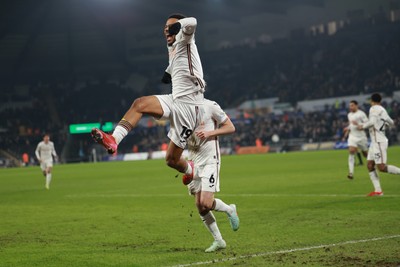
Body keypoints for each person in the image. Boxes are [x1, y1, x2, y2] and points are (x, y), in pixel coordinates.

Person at [91, 13, 204, 180]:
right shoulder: (171, 46)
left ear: (179, 28)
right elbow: (176, 61)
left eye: (171, 27)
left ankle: (192, 171)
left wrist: (179, 25)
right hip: (176, 99)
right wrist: (168, 72)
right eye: (165, 27)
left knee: (172, 160)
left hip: (190, 106)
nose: (167, 30)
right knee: (140, 104)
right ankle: (113, 140)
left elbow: (193, 22)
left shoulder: (186, 37)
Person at [185, 99, 239, 252]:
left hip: (210, 160)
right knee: (200, 206)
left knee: (206, 203)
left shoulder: (210, 105)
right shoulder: (183, 111)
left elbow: (230, 127)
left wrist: (210, 133)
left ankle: (229, 210)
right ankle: (219, 241)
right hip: (194, 161)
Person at [353, 93, 400, 196]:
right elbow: (391, 122)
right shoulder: (383, 110)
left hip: (379, 141)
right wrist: (385, 125)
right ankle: (378, 191)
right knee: (370, 165)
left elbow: (372, 122)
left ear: (372, 101)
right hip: (374, 142)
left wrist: (363, 126)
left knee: (381, 167)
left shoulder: (373, 109)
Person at [342, 100, 368, 179]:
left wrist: (358, 124)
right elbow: (351, 125)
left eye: (352, 105)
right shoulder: (349, 115)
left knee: (366, 154)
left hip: (361, 137)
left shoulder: (361, 114)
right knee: (351, 151)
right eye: (350, 106)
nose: (351, 107)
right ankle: (351, 173)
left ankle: (375, 163)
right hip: (352, 136)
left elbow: (367, 123)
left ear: (357, 105)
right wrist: (347, 128)